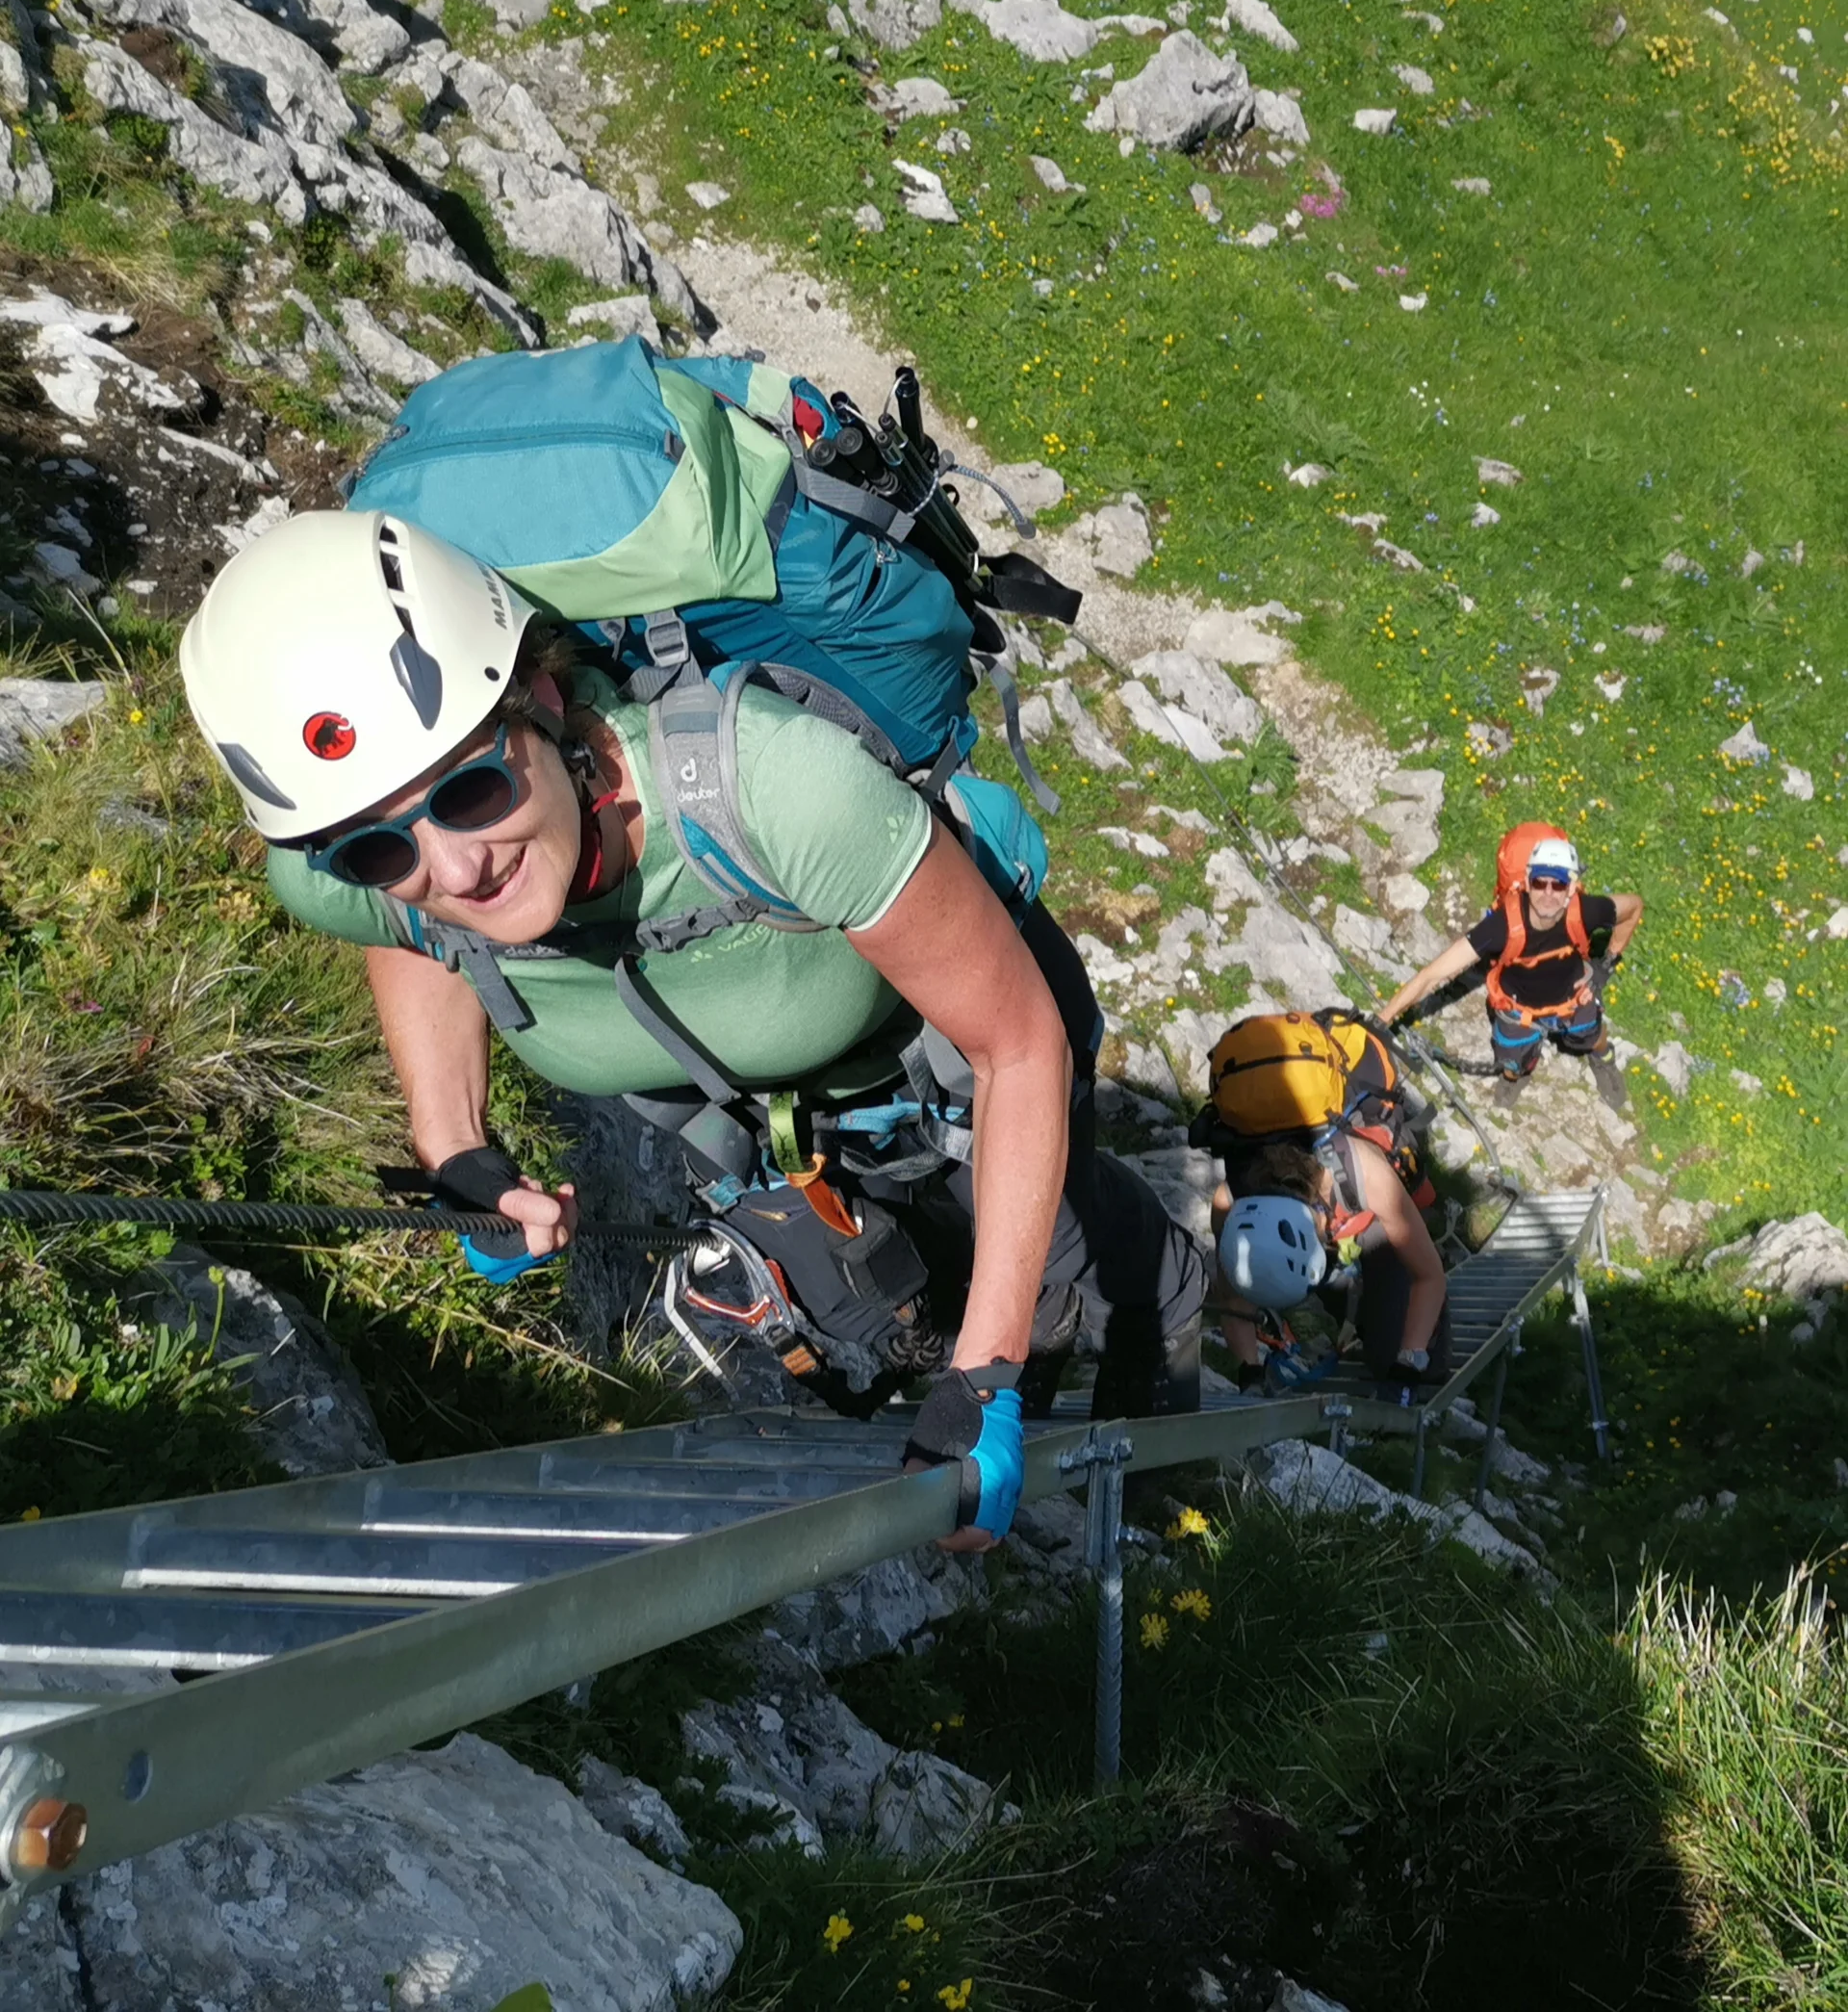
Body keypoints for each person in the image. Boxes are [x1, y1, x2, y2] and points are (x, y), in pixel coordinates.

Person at [178, 507, 1206, 1550]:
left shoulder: (773, 790)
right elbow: (402, 928)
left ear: (540, 698)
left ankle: (1167, 1303)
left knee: (1061, 1255)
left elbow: (1019, 1042)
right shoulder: (349, 873)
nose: (452, 871)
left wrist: (987, 1380)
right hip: (778, 1131)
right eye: (375, 850)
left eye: (473, 789)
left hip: (956, 1057)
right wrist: (455, 1145)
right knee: (887, 1311)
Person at [1375, 832, 1642, 1113]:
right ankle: (1517, 1074)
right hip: (1518, 1009)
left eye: (1559, 884)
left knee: (1592, 1033)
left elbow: (1633, 907)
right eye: (1540, 882)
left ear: (1571, 889)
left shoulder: (1585, 911)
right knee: (1513, 1063)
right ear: (1528, 882)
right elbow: (1432, 975)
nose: (1548, 894)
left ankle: (1603, 1057)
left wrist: (1605, 965)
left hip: (1572, 1000)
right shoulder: (1502, 927)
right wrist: (1382, 1019)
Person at [1207, 1133, 1449, 1401]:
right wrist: (1250, 1373)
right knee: (1376, 1332)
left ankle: (1382, 1317)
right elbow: (1234, 1297)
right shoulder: (1231, 1203)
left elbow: (1429, 1276)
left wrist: (1408, 1364)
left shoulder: (1365, 1174)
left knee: (1413, 1363)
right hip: (1329, 1247)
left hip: (1373, 1228)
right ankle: (1363, 1318)